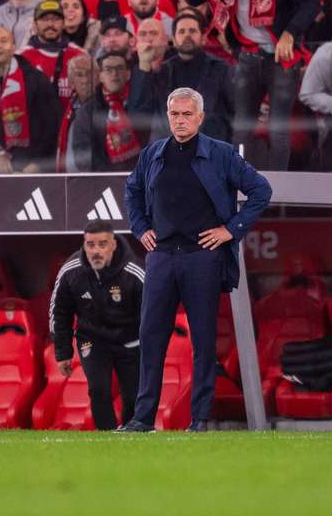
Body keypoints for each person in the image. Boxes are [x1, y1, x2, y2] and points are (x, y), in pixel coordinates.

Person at [120, 87, 272, 432]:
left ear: (201, 118)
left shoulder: (221, 153)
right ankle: (142, 419)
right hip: (160, 257)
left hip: (202, 258)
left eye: (188, 114)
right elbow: (132, 189)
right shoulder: (153, 153)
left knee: (203, 341)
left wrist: (230, 230)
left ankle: (199, 419)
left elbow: (261, 190)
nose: (181, 120)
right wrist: (140, 226)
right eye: (175, 114)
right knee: (151, 336)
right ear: (168, 116)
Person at [185, 0, 318, 171]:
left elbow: (310, 1)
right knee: (242, 127)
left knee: (278, 128)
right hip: (247, 57)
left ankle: (278, 190)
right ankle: (240, 183)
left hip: (281, 58)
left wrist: (290, 33)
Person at [49, 220, 144, 430]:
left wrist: (152, 348)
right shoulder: (71, 271)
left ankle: (134, 434)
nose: (96, 251)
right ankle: (107, 436)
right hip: (92, 339)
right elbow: (60, 312)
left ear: (113, 245)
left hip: (130, 340)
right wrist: (63, 352)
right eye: (90, 245)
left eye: (102, 244)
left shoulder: (134, 272)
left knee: (132, 394)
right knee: (98, 389)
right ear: (84, 245)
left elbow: (153, 314)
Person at [129, 11, 235, 143]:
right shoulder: (162, 72)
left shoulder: (221, 69)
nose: (187, 35)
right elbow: (138, 114)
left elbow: (236, 114)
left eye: (192, 31)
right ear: (173, 39)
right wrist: (144, 64)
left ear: (203, 38)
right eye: (182, 31)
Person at [0, 27, 62, 173]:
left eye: (3, 41)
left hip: (31, 167)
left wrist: (37, 163)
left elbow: (51, 125)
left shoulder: (36, 78)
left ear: (13, 48)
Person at [71, 52, 145, 172]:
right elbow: (83, 155)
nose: (114, 74)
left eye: (119, 68)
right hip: (102, 182)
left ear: (128, 74)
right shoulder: (88, 110)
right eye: (108, 69)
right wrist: (109, 177)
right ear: (100, 76)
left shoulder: (140, 103)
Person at [19, 0, 87, 115]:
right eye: (45, 19)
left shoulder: (80, 56)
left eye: (56, 19)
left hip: (70, 128)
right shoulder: (21, 58)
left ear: (64, 23)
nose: (50, 24)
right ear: (35, 24)